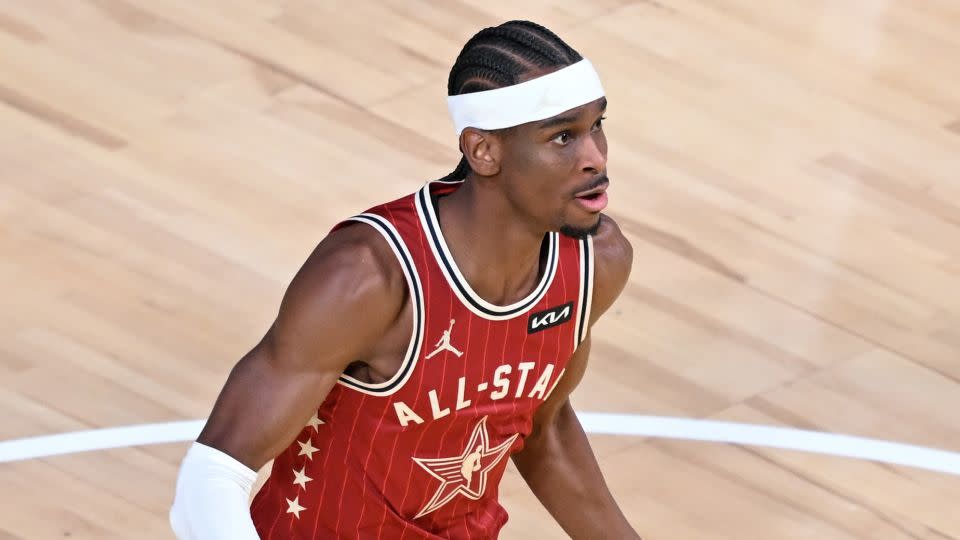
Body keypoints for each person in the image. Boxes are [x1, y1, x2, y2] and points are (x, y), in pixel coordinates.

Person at [169, 19, 637, 540]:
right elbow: (208, 482)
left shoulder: (595, 262)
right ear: (484, 151)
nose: (595, 156)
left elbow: (541, 426)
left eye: (597, 126)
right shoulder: (369, 275)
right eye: (563, 137)